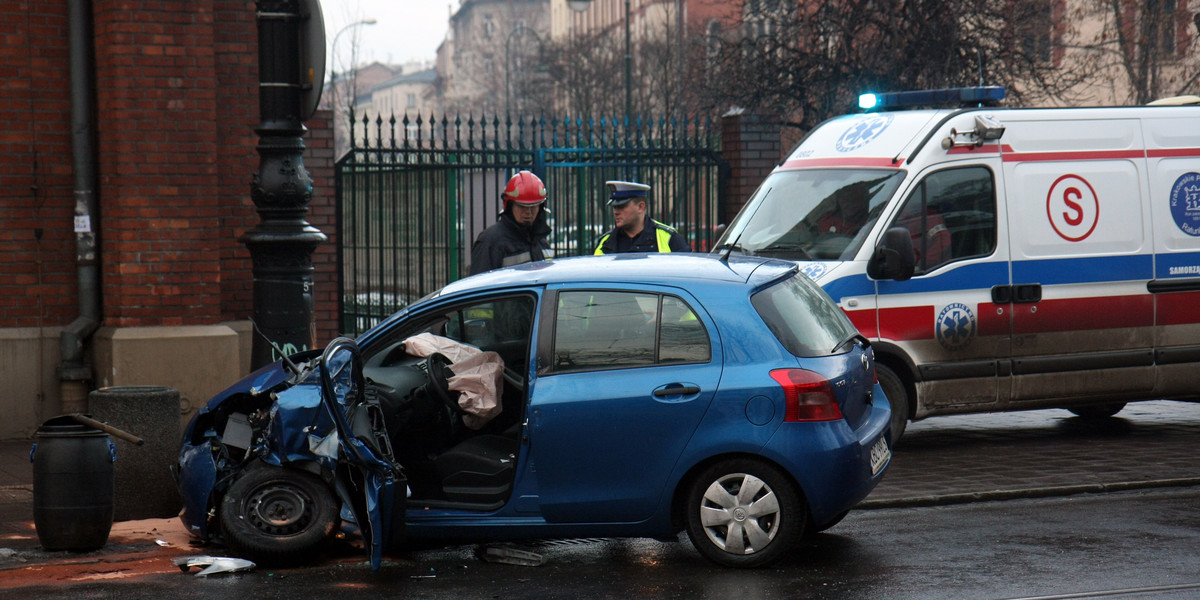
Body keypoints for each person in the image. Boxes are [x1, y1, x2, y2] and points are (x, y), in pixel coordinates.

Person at [470, 170, 553, 275]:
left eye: (533, 206)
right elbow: (479, 287)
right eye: (521, 206)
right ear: (509, 206)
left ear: (540, 207)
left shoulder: (542, 242)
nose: (528, 212)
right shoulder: (490, 242)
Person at [593, 180, 689, 255]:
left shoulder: (669, 239)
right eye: (614, 207)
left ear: (640, 207)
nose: (616, 212)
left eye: (621, 206)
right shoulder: (605, 243)